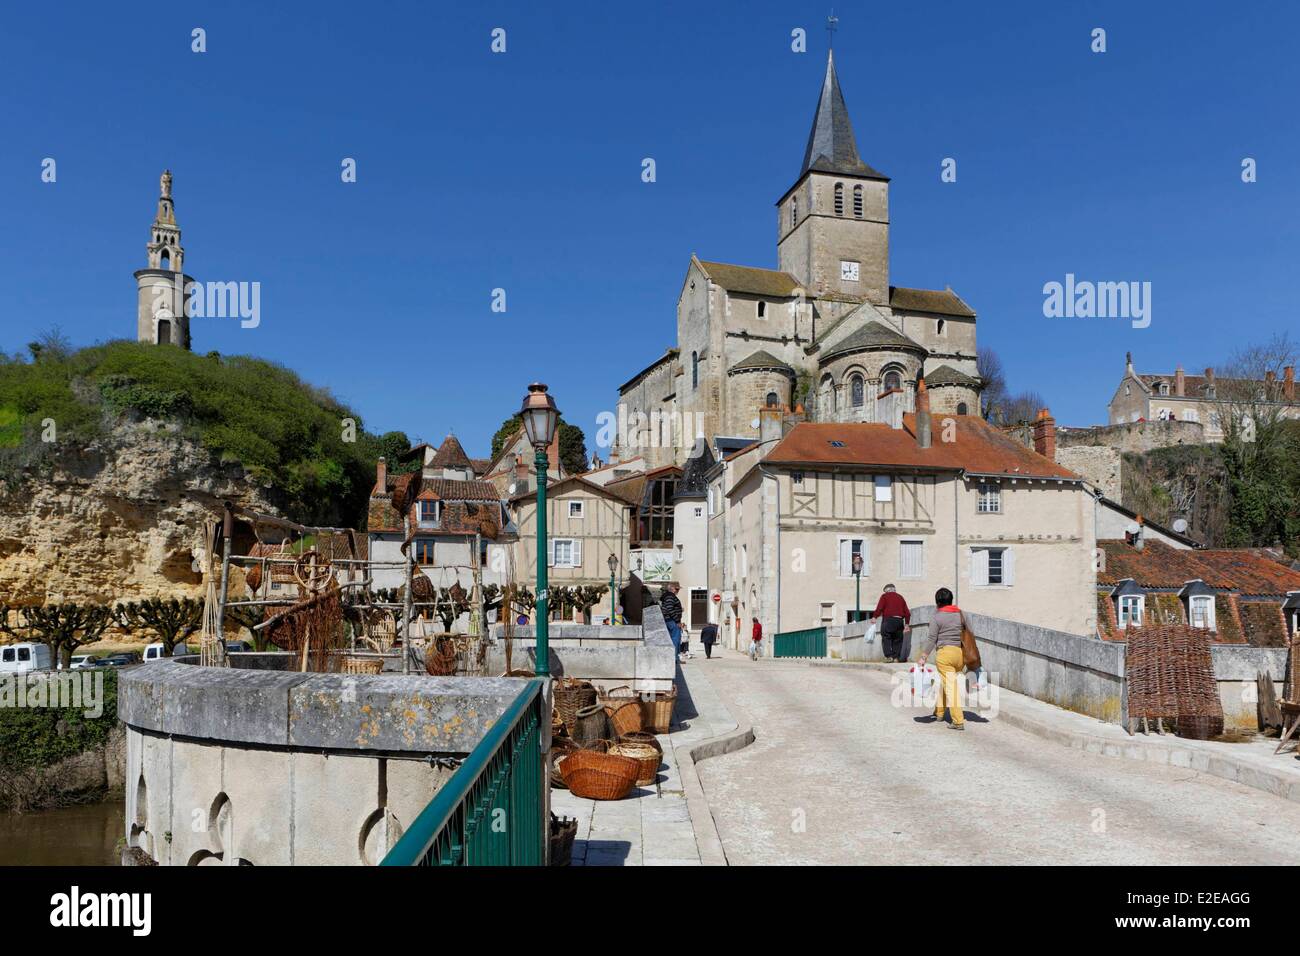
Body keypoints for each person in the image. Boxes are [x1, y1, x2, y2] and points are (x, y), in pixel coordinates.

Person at [916, 587, 966, 731]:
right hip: (960, 654)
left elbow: (932, 639)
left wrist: (924, 656)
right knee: (946, 682)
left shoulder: (937, 617)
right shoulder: (961, 614)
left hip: (945, 655)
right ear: (951, 600)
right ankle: (939, 712)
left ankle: (958, 720)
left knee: (951, 687)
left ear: (937, 602)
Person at [872, 584, 911, 662]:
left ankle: (889, 656)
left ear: (887, 590)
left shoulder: (884, 596)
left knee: (886, 637)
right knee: (898, 639)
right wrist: (906, 624)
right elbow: (907, 612)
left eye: (885, 591)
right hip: (899, 621)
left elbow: (880, 607)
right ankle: (896, 657)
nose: (885, 592)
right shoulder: (900, 597)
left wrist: (874, 617)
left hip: (888, 620)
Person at [660, 583, 685, 659]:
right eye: (677, 589)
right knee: (675, 640)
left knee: (673, 639)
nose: (678, 591)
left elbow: (670, 608)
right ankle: (674, 658)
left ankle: (674, 658)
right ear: (672, 589)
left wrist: (679, 610)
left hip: (670, 620)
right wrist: (677, 621)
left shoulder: (668, 596)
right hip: (672, 621)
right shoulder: (670, 596)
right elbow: (669, 609)